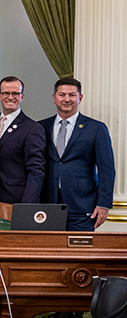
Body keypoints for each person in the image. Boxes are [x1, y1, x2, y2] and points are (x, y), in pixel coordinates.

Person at [39, 78, 114, 231]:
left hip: (82, 207)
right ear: (54, 98)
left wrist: (104, 204)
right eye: (62, 95)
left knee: (80, 254)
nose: (67, 99)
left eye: (72, 95)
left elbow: (106, 169)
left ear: (80, 98)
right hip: (47, 204)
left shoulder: (96, 128)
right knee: (47, 253)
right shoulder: (40, 127)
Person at [0, 76, 45, 204]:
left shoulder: (32, 128)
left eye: (15, 93)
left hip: (14, 200)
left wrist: (26, 205)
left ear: (22, 96)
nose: (10, 97)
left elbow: (36, 171)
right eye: (6, 93)